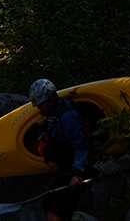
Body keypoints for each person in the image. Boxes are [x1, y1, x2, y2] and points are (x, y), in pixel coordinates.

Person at [29, 79, 97, 221]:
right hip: (64, 172)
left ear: (50, 99)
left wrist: (77, 174)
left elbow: (81, 146)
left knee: (55, 216)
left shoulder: (68, 117)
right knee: (48, 207)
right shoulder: (54, 115)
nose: (39, 108)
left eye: (41, 104)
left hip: (75, 172)